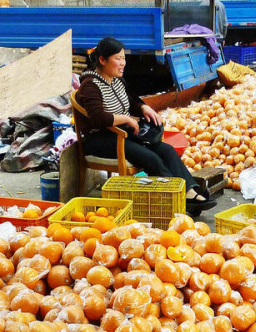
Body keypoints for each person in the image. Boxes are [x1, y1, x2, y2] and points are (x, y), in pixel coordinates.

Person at [74, 37, 216, 216]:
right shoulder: (90, 86)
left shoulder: (116, 81)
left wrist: (143, 107)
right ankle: (178, 198)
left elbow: (131, 101)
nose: (123, 63)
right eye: (118, 59)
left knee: (166, 150)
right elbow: (98, 118)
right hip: (99, 140)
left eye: (124, 58)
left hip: (122, 135)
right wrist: (126, 119)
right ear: (102, 60)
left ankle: (190, 191)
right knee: (151, 158)